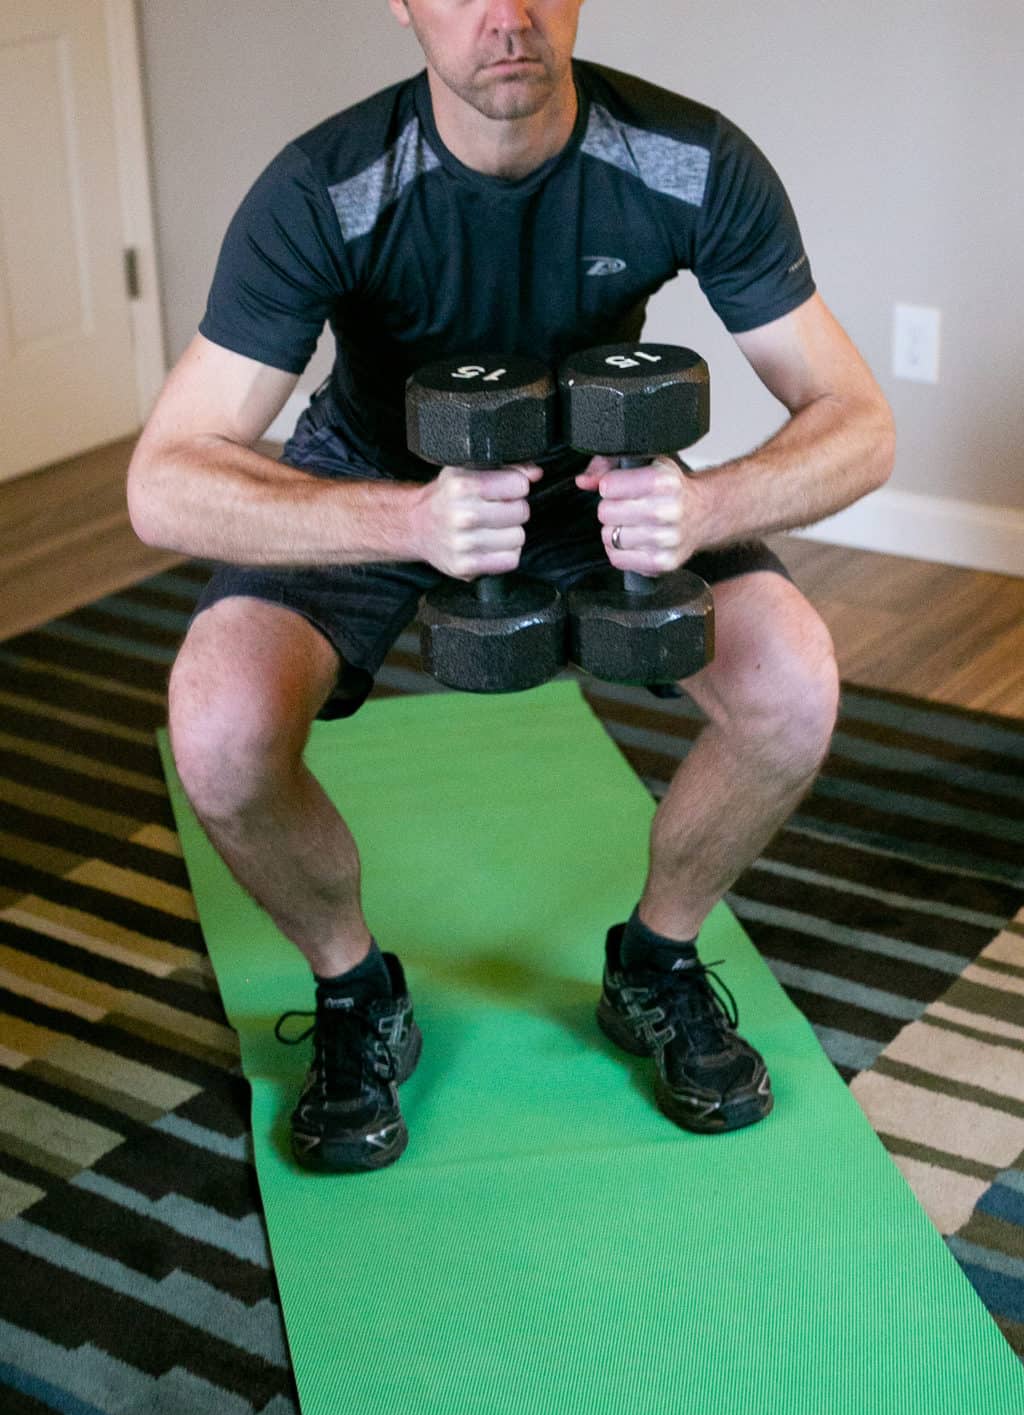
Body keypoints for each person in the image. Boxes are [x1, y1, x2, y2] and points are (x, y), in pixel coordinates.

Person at [127, 0, 895, 1172]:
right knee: (221, 729)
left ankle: (656, 960)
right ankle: (354, 990)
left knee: (792, 683)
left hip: (595, 479)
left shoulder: (685, 158)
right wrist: (409, 518)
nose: (506, 15)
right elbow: (164, 483)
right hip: (383, 478)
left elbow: (860, 421)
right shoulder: (324, 187)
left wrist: (707, 505)